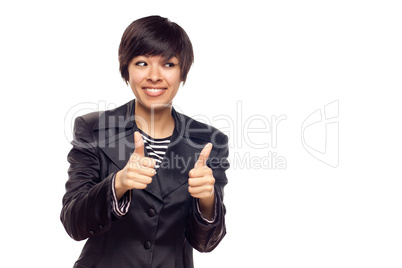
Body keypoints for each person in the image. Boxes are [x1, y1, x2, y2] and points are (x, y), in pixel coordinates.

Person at [61, 15, 229, 268]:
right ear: (126, 69)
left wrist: (207, 200)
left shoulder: (208, 141)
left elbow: (205, 243)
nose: (154, 76)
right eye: (142, 63)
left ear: (183, 72)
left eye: (168, 65)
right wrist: (117, 184)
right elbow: (74, 224)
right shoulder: (94, 129)